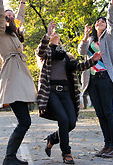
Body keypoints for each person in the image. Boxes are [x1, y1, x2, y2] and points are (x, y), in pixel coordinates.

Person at [36, 22, 102, 164]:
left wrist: (92, 60)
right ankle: (66, 152)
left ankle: (52, 139)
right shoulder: (46, 54)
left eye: (55, 34)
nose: (54, 34)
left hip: (66, 92)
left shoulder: (67, 56)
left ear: (60, 40)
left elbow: (78, 67)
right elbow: (41, 50)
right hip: (51, 92)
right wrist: (47, 34)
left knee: (71, 123)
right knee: (63, 120)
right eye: (52, 34)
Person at [0, 0, 37, 165]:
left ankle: (10, 158)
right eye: (8, 16)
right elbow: (0, 13)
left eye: (11, 16)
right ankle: (9, 158)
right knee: (25, 121)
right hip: (12, 75)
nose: (10, 17)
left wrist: (23, 3)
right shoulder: (0, 33)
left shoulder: (15, 36)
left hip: (20, 75)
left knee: (25, 121)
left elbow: (20, 19)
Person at [78, 0, 113, 158]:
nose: (100, 22)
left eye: (102, 21)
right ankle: (107, 145)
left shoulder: (109, 38)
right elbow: (81, 52)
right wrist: (84, 37)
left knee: (108, 112)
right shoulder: (91, 42)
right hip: (92, 81)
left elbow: (111, 18)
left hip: (106, 78)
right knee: (99, 114)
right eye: (98, 21)